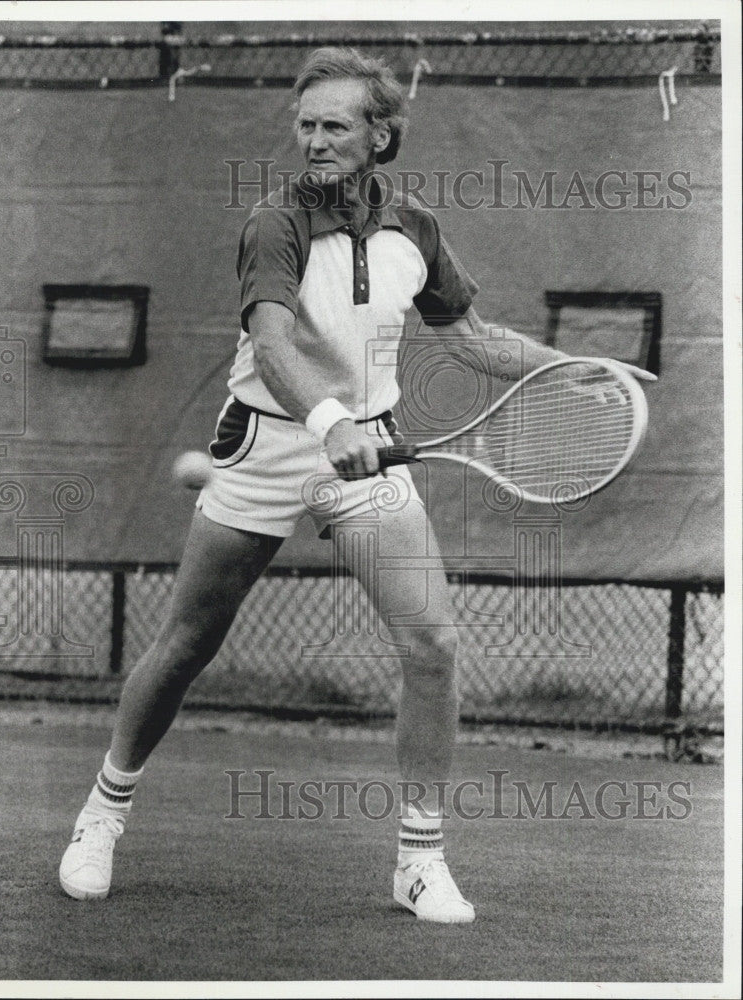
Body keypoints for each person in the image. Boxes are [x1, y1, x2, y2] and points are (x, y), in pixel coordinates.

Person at [59, 47, 654, 922]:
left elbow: (476, 339)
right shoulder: (276, 221)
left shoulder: (415, 229)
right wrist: (327, 424)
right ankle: (101, 814)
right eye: (304, 124)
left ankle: (418, 861)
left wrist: (576, 371)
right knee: (187, 642)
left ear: (382, 135)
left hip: (368, 452)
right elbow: (273, 345)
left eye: (334, 125)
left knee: (433, 644)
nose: (313, 140)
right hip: (267, 445)